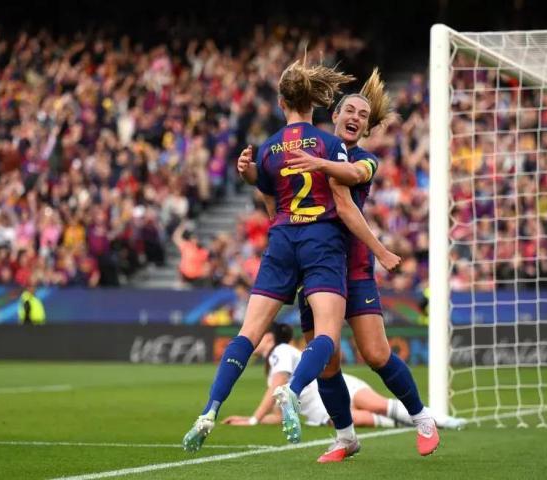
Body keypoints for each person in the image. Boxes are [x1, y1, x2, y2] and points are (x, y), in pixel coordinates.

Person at [182, 60, 400, 454]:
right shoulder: (330, 145)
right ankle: (293, 389)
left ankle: (209, 410)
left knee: (248, 334)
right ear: (315, 103)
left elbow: (271, 204)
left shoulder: (268, 148)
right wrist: (381, 250)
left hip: (282, 240)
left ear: (281, 102)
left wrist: (249, 175)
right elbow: (345, 201)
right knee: (326, 336)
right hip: (321, 243)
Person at [237, 69, 440, 462]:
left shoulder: (362, 160)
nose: (355, 117)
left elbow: (353, 174)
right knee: (327, 363)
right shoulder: (309, 150)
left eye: (363, 115)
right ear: (334, 115)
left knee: (376, 354)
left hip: (354, 269)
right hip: (313, 267)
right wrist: (253, 176)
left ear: (366, 127)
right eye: (349, 110)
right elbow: (275, 202)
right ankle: (345, 437)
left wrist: (381, 251)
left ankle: (422, 417)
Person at [221, 323, 467, 434]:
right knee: (367, 416)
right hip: (320, 407)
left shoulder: (280, 351)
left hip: (330, 391)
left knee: (378, 405)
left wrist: (253, 420)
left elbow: (276, 388)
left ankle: (441, 421)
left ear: (269, 338)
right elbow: (281, 414)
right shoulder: (274, 362)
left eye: (259, 336)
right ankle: (414, 423)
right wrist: (250, 419)